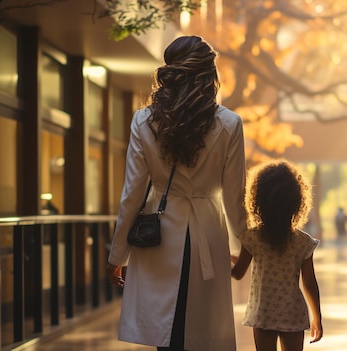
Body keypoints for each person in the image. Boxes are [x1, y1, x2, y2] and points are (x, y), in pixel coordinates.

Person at [106, 36, 247, 351]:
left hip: (159, 233)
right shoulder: (229, 123)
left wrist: (117, 255)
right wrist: (245, 250)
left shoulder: (144, 121)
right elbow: (234, 197)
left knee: (166, 331)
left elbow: (133, 193)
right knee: (204, 334)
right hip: (208, 234)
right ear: (209, 73)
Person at [231, 159, 323, 351]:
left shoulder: (253, 238)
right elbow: (309, 283)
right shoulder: (303, 242)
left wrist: (224, 261)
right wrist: (317, 318)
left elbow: (238, 272)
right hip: (293, 313)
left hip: (263, 312)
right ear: (297, 201)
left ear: (258, 200)